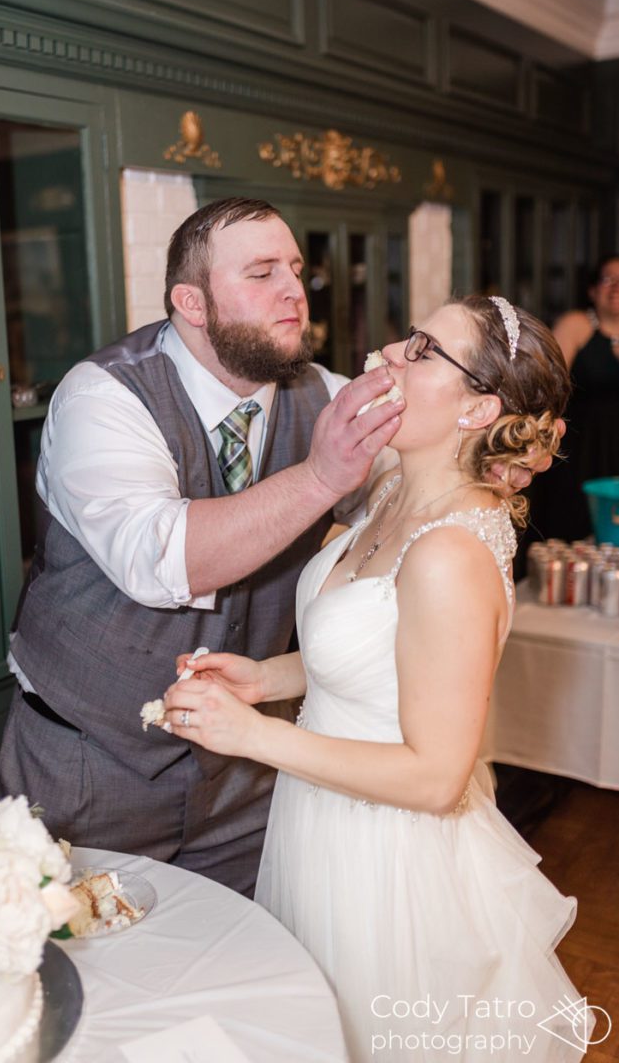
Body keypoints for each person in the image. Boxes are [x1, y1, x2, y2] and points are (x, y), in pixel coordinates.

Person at [163, 296, 590, 1060]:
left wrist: (252, 736)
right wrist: (262, 679)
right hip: (323, 820)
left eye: (423, 349)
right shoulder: (394, 491)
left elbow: (435, 777)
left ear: (477, 409)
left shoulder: (450, 554)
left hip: (389, 859)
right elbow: (377, 654)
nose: (389, 352)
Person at [0, 196, 405, 897]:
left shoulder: (323, 395)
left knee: (247, 950)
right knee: (80, 955)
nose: (293, 290)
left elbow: (405, 505)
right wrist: (319, 479)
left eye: (295, 270)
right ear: (191, 302)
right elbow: (161, 561)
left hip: (243, 771)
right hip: (90, 764)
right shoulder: (103, 397)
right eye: (261, 273)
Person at [529, 254, 619, 544]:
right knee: (571, 524)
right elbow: (547, 383)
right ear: (592, 290)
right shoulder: (576, 325)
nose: (615, 288)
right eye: (608, 280)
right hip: (580, 446)